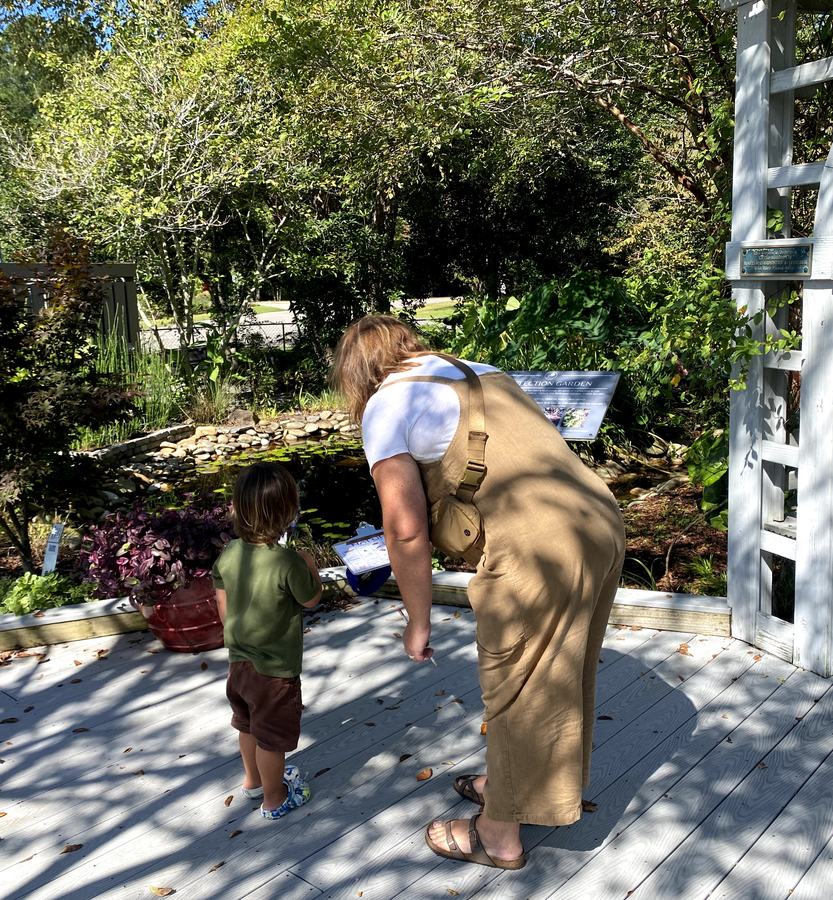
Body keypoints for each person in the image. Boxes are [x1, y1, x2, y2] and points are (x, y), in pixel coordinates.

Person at [331, 315, 625, 870]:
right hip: (598, 519)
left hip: (539, 547)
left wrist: (418, 620)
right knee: (560, 675)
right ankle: (516, 788)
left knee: (513, 684)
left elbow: (405, 529)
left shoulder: (385, 406)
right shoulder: (480, 371)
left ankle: (498, 835)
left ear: (356, 373)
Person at [213, 462, 322, 820]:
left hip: (239, 665)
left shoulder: (230, 553)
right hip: (275, 672)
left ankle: (253, 781)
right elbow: (311, 599)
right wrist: (310, 566)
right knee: (272, 739)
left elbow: (222, 599)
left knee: (246, 724)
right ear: (287, 511)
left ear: (238, 508)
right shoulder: (287, 561)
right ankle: (275, 799)